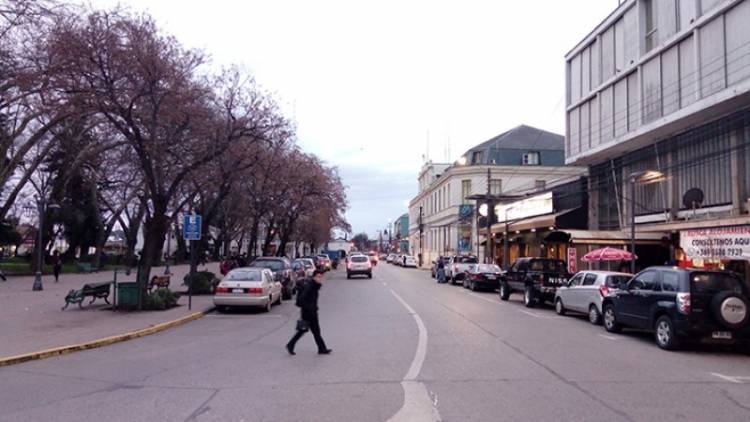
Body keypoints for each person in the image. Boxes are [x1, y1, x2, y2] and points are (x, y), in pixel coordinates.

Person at [286, 270, 332, 355]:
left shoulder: (315, 286)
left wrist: (313, 308)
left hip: (313, 312)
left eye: (320, 277)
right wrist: (309, 308)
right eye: (318, 276)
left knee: (316, 331)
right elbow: (301, 299)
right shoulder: (309, 286)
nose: (319, 278)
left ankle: (322, 348)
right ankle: (290, 344)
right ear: (314, 277)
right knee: (302, 331)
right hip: (308, 313)